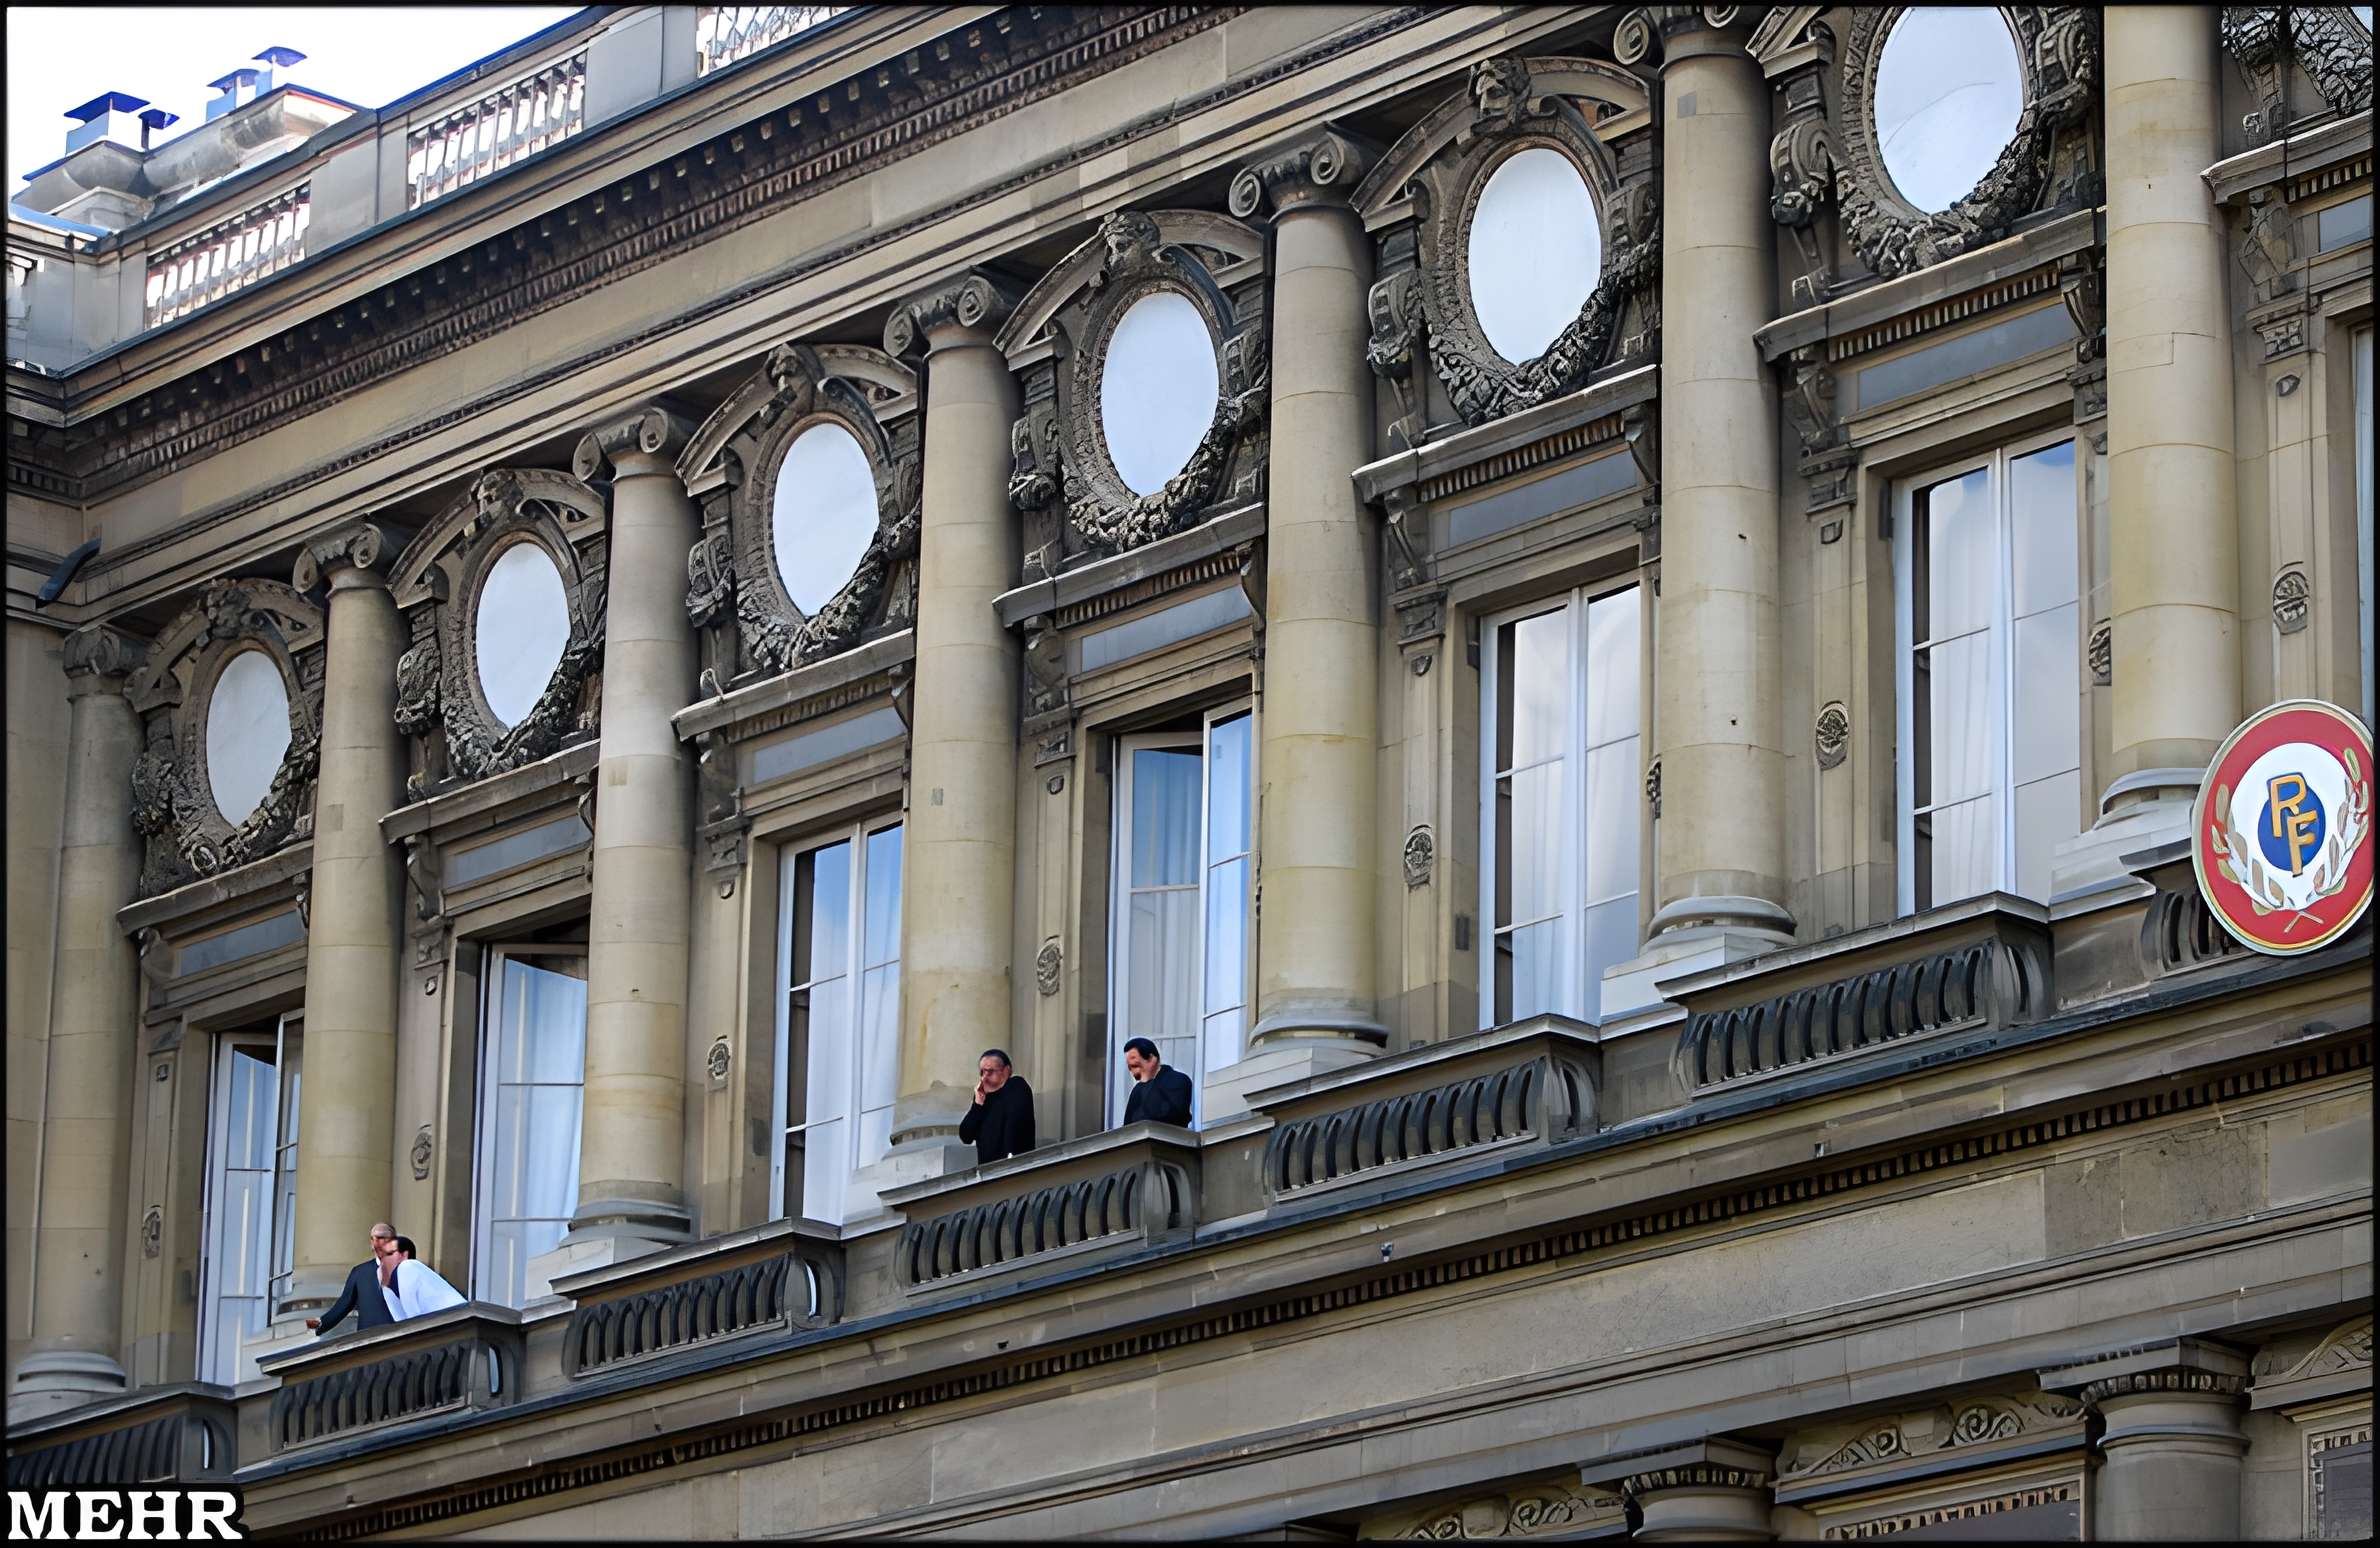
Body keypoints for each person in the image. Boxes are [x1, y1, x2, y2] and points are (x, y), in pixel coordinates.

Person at [306, 1222, 400, 1336]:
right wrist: (321, 1323)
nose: (375, 1243)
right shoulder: (359, 1272)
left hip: (398, 1340)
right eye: (372, 1239)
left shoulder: (406, 1269)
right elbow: (344, 1304)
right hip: (366, 1342)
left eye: (381, 1238)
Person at [957, 1048, 1036, 1165]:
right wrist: (977, 1105)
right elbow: (966, 1136)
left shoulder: (1016, 1086)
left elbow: (1015, 1124)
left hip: (1015, 1167)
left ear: (1006, 1071)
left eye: (990, 1072)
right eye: (982, 1072)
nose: (984, 1078)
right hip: (989, 1172)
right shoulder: (983, 1098)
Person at [382, 1235, 466, 1320]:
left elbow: (412, 1318)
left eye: (389, 1254)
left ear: (404, 1255)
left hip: (458, 1320)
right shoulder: (391, 1284)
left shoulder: (407, 1266)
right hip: (446, 1323)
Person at [1121, 1037, 1194, 1126]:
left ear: (1151, 1059)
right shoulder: (1138, 1090)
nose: (1134, 1072)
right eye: (1130, 1067)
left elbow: (1175, 1115)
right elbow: (1128, 1125)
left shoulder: (1178, 1080)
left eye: (1136, 1066)